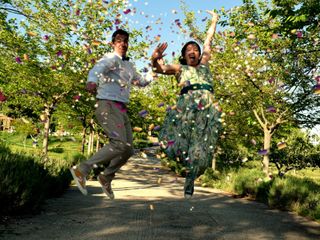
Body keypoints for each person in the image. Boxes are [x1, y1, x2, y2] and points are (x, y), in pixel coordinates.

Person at [70, 29, 151, 199]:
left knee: (128, 150)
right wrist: (91, 81)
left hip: (121, 108)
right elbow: (96, 69)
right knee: (119, 143)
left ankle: (106, 176)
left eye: (125, 41)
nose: (123, 43)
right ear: (113, 43)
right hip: (107, 104)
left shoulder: (129, 65)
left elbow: (142, 82)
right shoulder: (109, 58)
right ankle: (82, 169)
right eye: (119, 40)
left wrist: (155, 66)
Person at [151, 11, 221, 199]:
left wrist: (214, 21)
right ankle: (183, 166)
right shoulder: (179, 68)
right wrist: (154, 58)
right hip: (187, 110)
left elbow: (208, 41)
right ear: (184, 55)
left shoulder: (204, 64)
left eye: (195, 49)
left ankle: (191, 178)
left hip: (207, 109)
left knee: (200, 147)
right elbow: (160, 68)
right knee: (179, 144)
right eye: (189, 49)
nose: (193, 51)